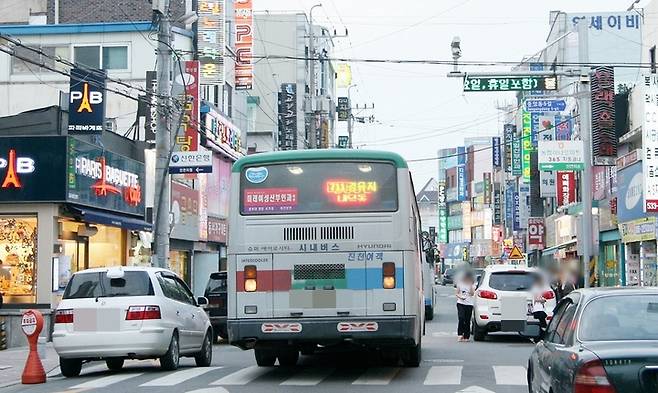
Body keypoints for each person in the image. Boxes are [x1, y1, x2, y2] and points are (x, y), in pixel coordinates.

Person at [455, 271, 475, 342]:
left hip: (469, 304)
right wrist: (460, 297)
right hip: (460, 303)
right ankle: (460, 334)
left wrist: (470, 286)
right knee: (461, 318)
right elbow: (456, 293)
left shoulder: (472, 285)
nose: (467, 279)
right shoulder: (460, 283)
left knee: (467, 320)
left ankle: (466, 336)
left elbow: (472, 294)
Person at [531, 275, 548, 339]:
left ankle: (541, 336)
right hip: (537, 309)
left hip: (540, 308)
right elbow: (535, 299)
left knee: (542, 323)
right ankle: (542, 337)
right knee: (543, 323)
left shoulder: (539, 288)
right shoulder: (535, 288)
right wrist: (542, 300)